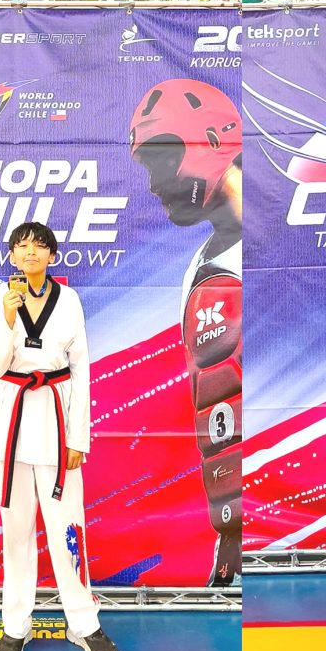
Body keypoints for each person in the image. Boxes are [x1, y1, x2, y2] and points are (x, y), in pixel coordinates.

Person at [0, 222, 119, 651]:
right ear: (12, 256)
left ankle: (84, 623)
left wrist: (79, 437)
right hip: (12, 422)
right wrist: (6, 319)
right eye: (22, 246)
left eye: (39, 246)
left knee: (68, 529)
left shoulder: (69, 299)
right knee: (16, 533)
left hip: (57, 424)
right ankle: (15, 625)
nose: (30, 252)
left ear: (52, 256)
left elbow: (82, 370)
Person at [129, 79, 242, 586]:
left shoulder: (283, 245)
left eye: (161, 160)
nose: (155, 184)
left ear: (214, 139)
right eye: (147, 167)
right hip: (231, 530)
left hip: (283, 520)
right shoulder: (198, 267)